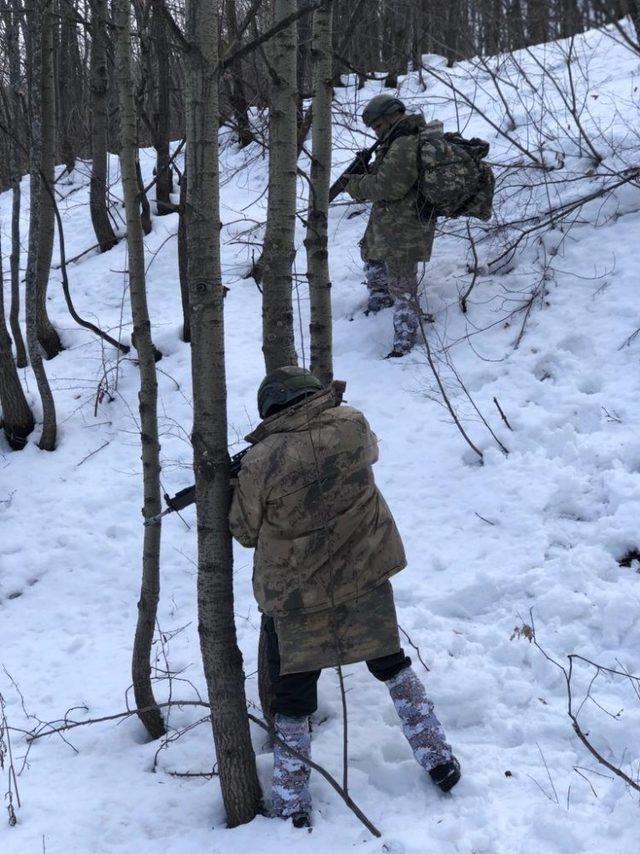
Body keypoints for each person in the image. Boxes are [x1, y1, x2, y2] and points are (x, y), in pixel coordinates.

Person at [229, 366, 460, 828]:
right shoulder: (352, 424)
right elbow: (364, 455)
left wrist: (237, 485)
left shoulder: (260, 462)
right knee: (392, 665)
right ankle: (438, 758)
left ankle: (292, 803)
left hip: (297, 598)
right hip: (364, 576)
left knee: (292, 695)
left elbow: (243, 531)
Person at [343, 94, 440, 358]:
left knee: (402, 286)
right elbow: (384, 175)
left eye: (378, 125)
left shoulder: (406, 142)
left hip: (406, 224)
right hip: (391, 220)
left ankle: (404, 345)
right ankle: (379, 301)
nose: (376, 132)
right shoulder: (396, 141)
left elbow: (388, 186)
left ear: (392, 117)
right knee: (371, 254)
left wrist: (355, 185)